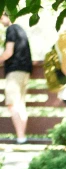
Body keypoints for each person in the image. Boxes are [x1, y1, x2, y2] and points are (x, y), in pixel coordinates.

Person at [0, 13, 32, 143]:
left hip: (14, 72)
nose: (1, 21)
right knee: (20, 105)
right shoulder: (21, 30)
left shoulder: (11, 29)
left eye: (1, 18)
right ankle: (22, 137)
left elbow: (8, 52)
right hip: (25, 71)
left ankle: (20, 137)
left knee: (12, 104)